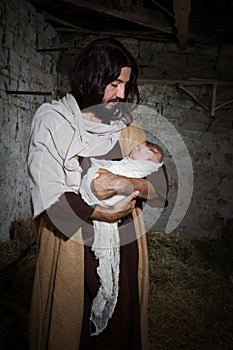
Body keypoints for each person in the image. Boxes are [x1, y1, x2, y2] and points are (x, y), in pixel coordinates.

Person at [27, 37, 168, 350]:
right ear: (91, 77)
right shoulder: (55, 124)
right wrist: (101, 212)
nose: (120, 93)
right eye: (113, 83)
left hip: (123, 251)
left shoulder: (129, 131)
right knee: (72, 329)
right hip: (73, 249)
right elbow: (50, 196)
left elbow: (160, 189)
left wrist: (126, 185)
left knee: (120, 329)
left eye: (124, 84)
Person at [78, 140, 164, 337]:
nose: (134, 149)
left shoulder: (132, 138)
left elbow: (160, 186)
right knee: (79, 297)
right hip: (82, 229)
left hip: (121, 232)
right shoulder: (75, 134)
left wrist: (117, 183)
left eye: (139, 149)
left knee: (122, 293)